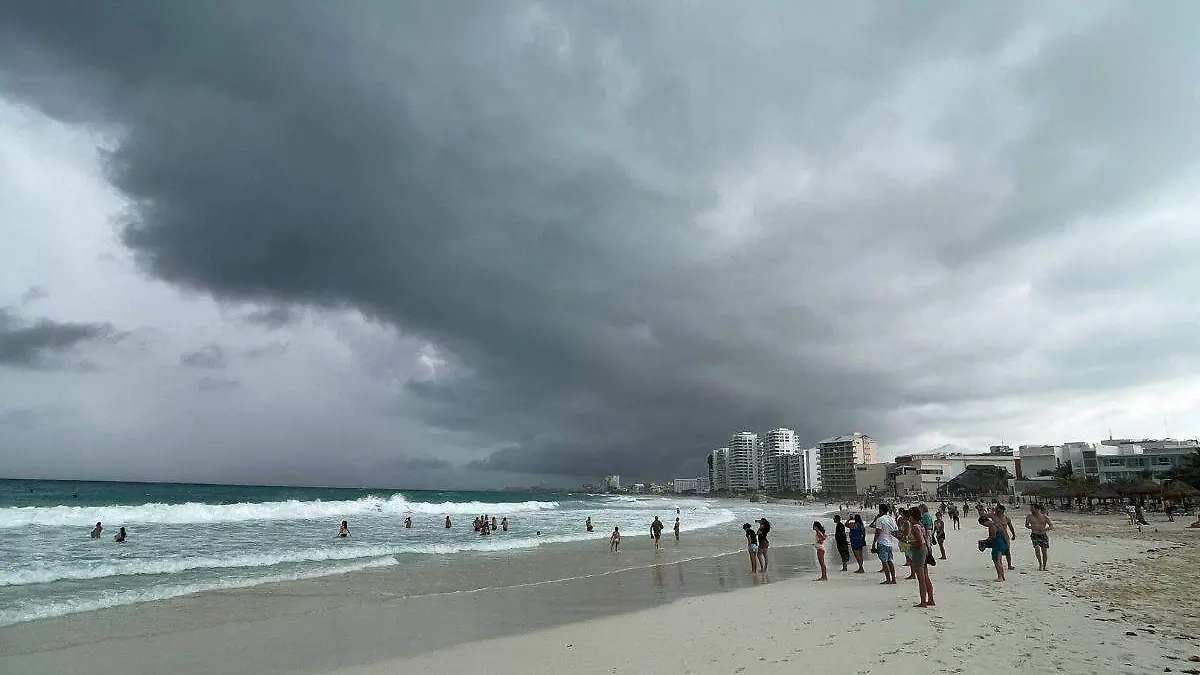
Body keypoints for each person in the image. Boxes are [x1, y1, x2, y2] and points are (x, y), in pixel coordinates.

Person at [907, 508, 934, 607]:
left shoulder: (914, 527)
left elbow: (919, 542)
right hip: (925, 551)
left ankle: (923, 602)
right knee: (926, 577)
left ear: (912, 516)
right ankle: (930, 599)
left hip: (919, 552)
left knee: (921, 579)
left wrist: (909, 545)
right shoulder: (921, 525)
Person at [872, 504, 898, 585]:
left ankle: (888, 579)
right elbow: (895, 530)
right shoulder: (891, 518)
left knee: (884, 562)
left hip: (882, 542)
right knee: (890, 561)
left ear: (881, 510)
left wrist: (874, 543)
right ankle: (893, 579)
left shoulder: (880, 519)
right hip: (889, 542)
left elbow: (878, 532)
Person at [979, 514, 1009, 582]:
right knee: (999, 561)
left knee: (997, 561)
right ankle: (1002, 576)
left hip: (997, 544)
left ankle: (1000, 577)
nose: (984, 526)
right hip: (1001, 543)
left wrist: (985, 541)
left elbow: (993, 537)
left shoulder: (991, 526)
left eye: (983, 524)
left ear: (986, 521)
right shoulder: (994, 524)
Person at [1024, 503, 1053, 571]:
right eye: (1030, 509)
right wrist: (1031, 527)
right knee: (1037, 548)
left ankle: (1044, 565)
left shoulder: (1044, 517)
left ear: (1037, 509)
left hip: (1043, 534)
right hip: (1034, 534)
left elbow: (1051, 526)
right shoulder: (1029, 516)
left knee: (1044, 551)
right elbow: (1026, 525)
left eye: (1032, 508)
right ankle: (1040, 564)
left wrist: (1045, 529)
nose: (1031, 510)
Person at [992, 504, 1016, 570]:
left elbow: (1011, 527)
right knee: (997, 551)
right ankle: (999, 564)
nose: (996, 510)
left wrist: (1013, 534)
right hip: (996, 536)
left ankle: (1009, 565)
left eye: (997, 509)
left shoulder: (1007, 518)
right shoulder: (993, 516)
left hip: (1005, 536)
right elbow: (984, 517)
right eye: (996, 509)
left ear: (1002, 510)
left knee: (1007, 551)